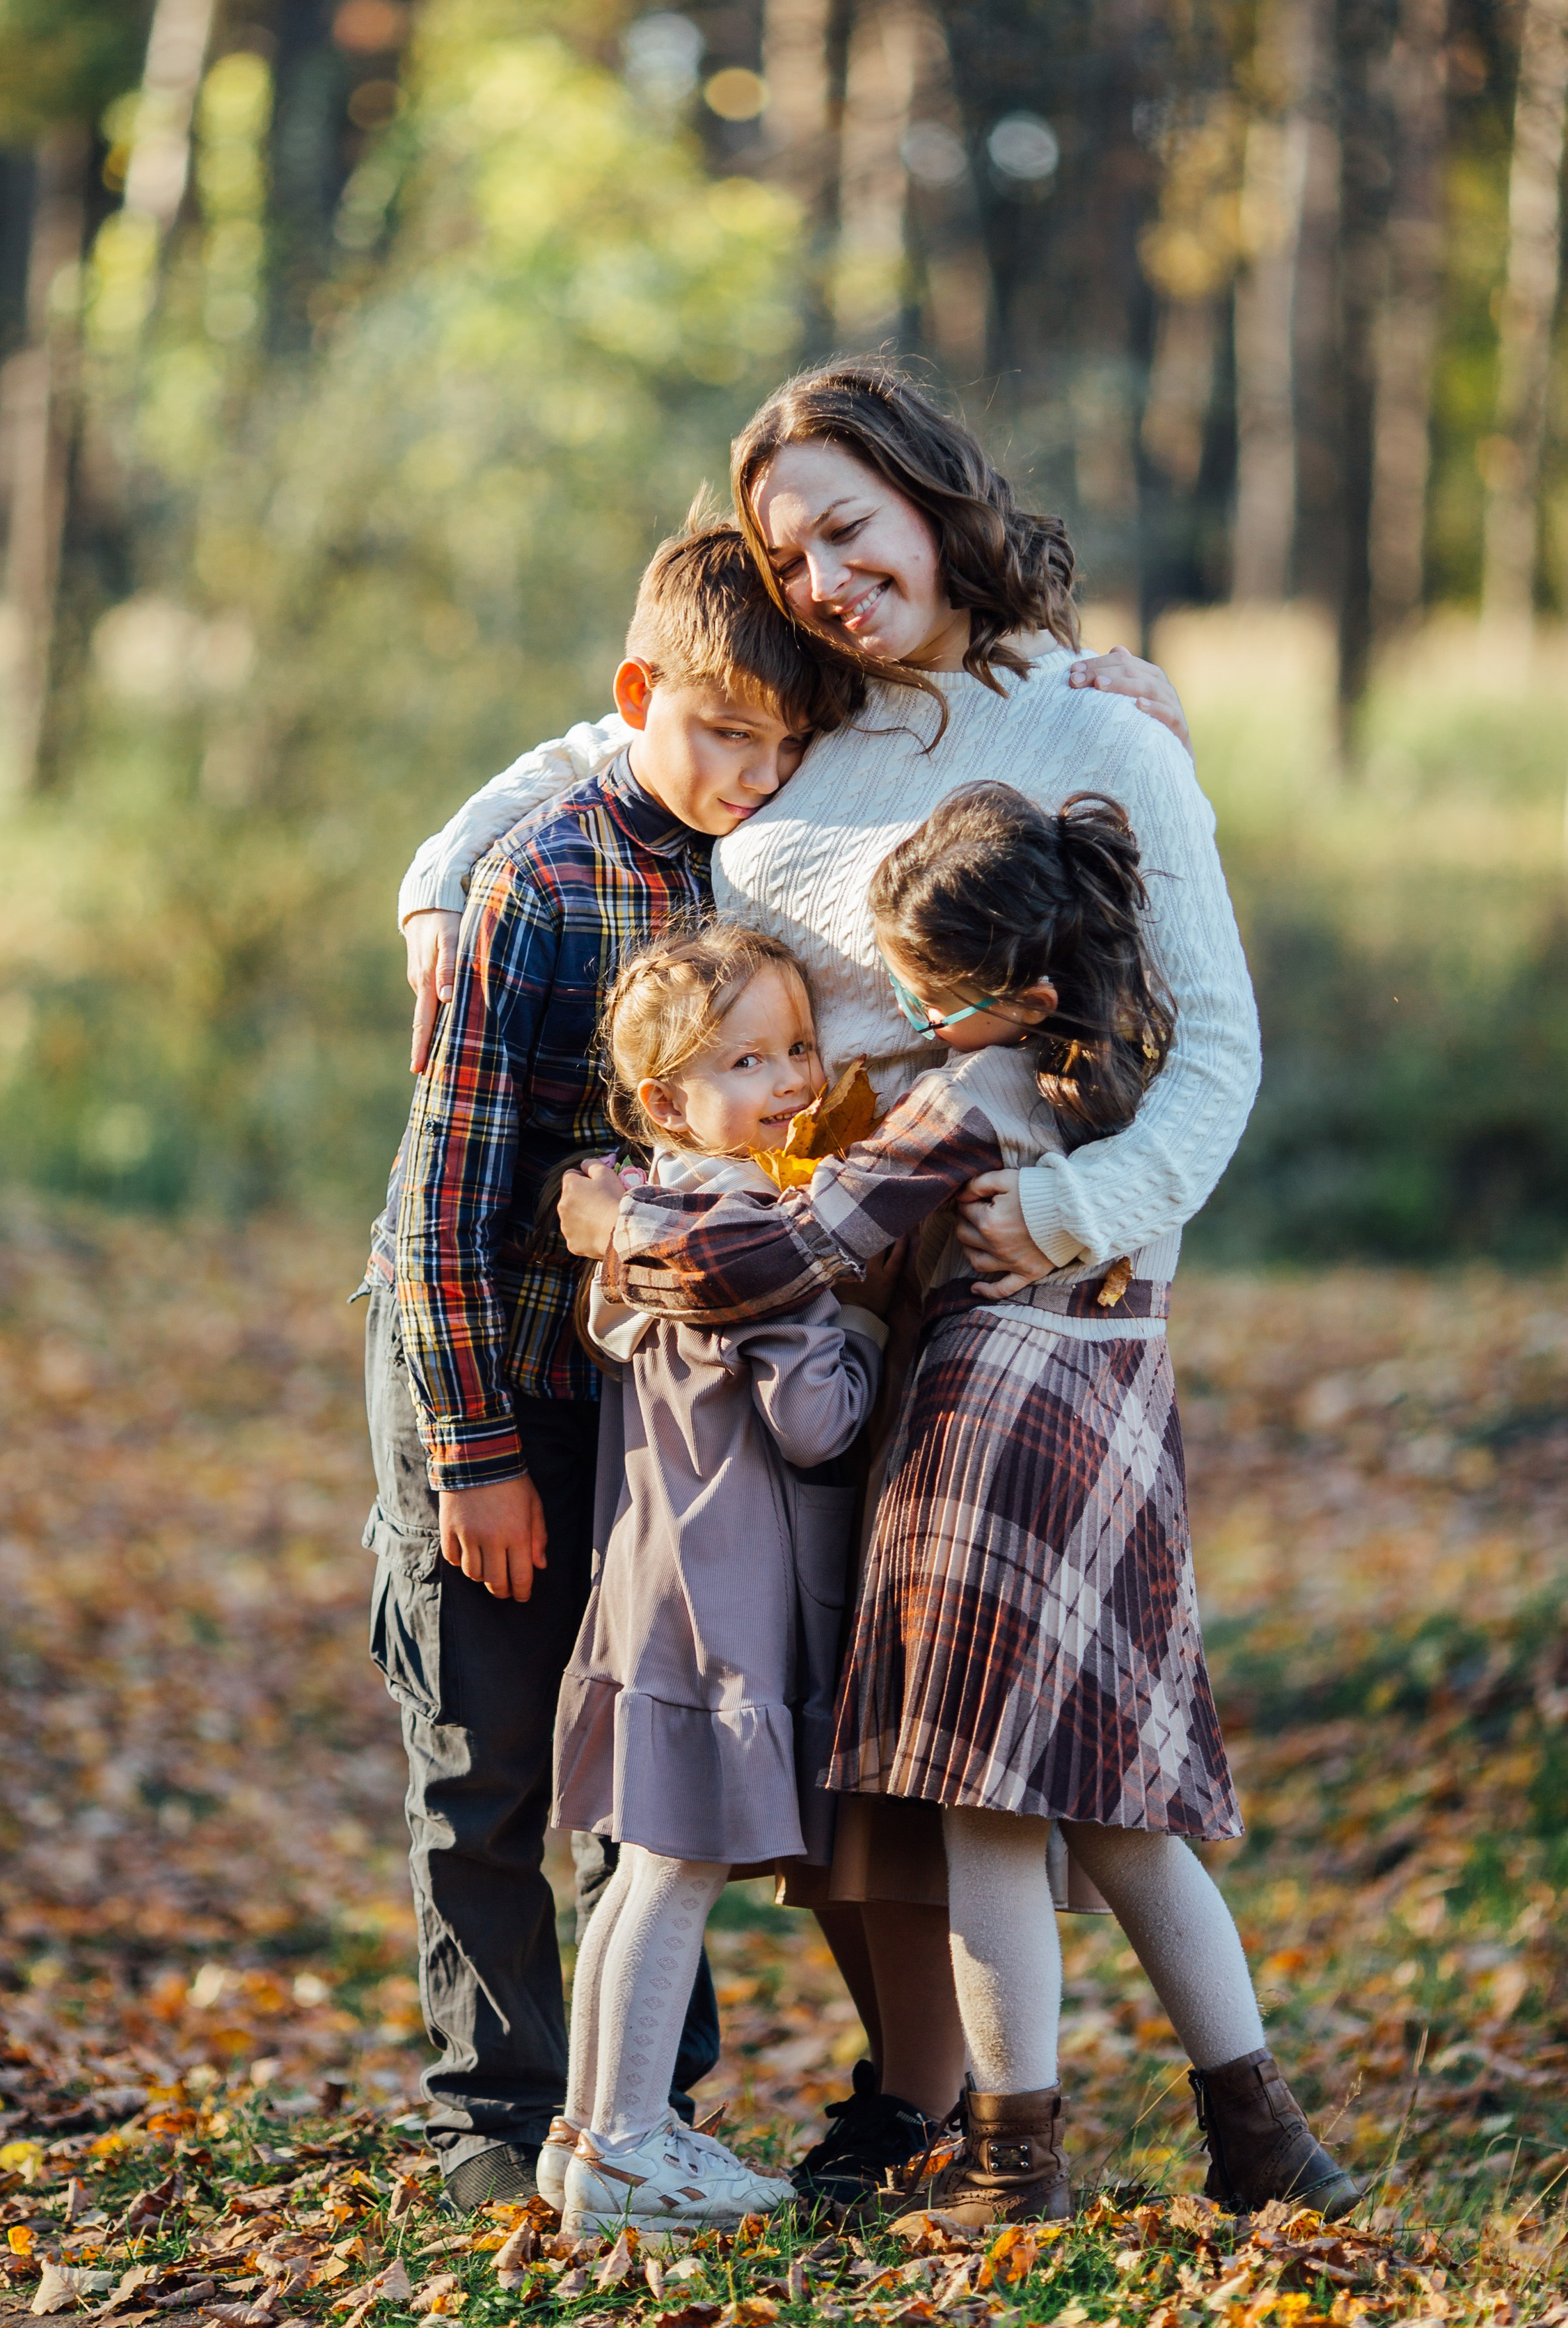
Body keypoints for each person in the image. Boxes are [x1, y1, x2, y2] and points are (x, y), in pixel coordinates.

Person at [390, 356, 1259, 2206]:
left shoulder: (1095, 724)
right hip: (785, 1301)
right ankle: (902, 2101)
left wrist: (1078, 1209)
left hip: (991, 1313)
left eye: (852, 535)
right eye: (789, 558)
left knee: (956, 1749)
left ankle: (969, 2107)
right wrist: (437, 885)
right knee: (846, 1742)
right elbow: (600, 742)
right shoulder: (808, 711)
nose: (828, 584)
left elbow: (1214, 1050)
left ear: (936, 500)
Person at [571, 783, 1360, 2227]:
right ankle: (1265, 2135)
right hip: (1122, 1435)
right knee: (1118, 1814)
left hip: (986, 1440)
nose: (910, 1026)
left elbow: (784, 1256)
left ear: (1011, 994)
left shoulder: (963, 1099)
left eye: (927, 994)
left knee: (983, 1810)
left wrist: (621, 1224)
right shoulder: (1131, 1077)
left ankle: (1013, 2160)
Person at [362, 518, 861, 2207]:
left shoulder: (756, 868)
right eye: (722, 733)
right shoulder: (537, 882)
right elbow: (440, 1200)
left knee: (640, 1751)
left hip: (658, 1398)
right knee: (489, 1753)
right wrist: (474, 1453)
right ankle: (495, 2124)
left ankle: (643, 2108)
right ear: (638, 699)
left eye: (779, 745)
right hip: (497, 1366)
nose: (750, 773)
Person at [544, 924, 898, 2229]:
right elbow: (816, 1422)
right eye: (747, 1062)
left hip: (654, 1576)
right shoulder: (755, 1228)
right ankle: (635, 2144)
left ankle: (588, 2137)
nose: (794, 1079)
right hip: (726, 1591)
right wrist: (865, 1326)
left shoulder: (649, 1213)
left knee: (645, 1868)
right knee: (678, 1870)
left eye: (799, 1047)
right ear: (666, 1100)